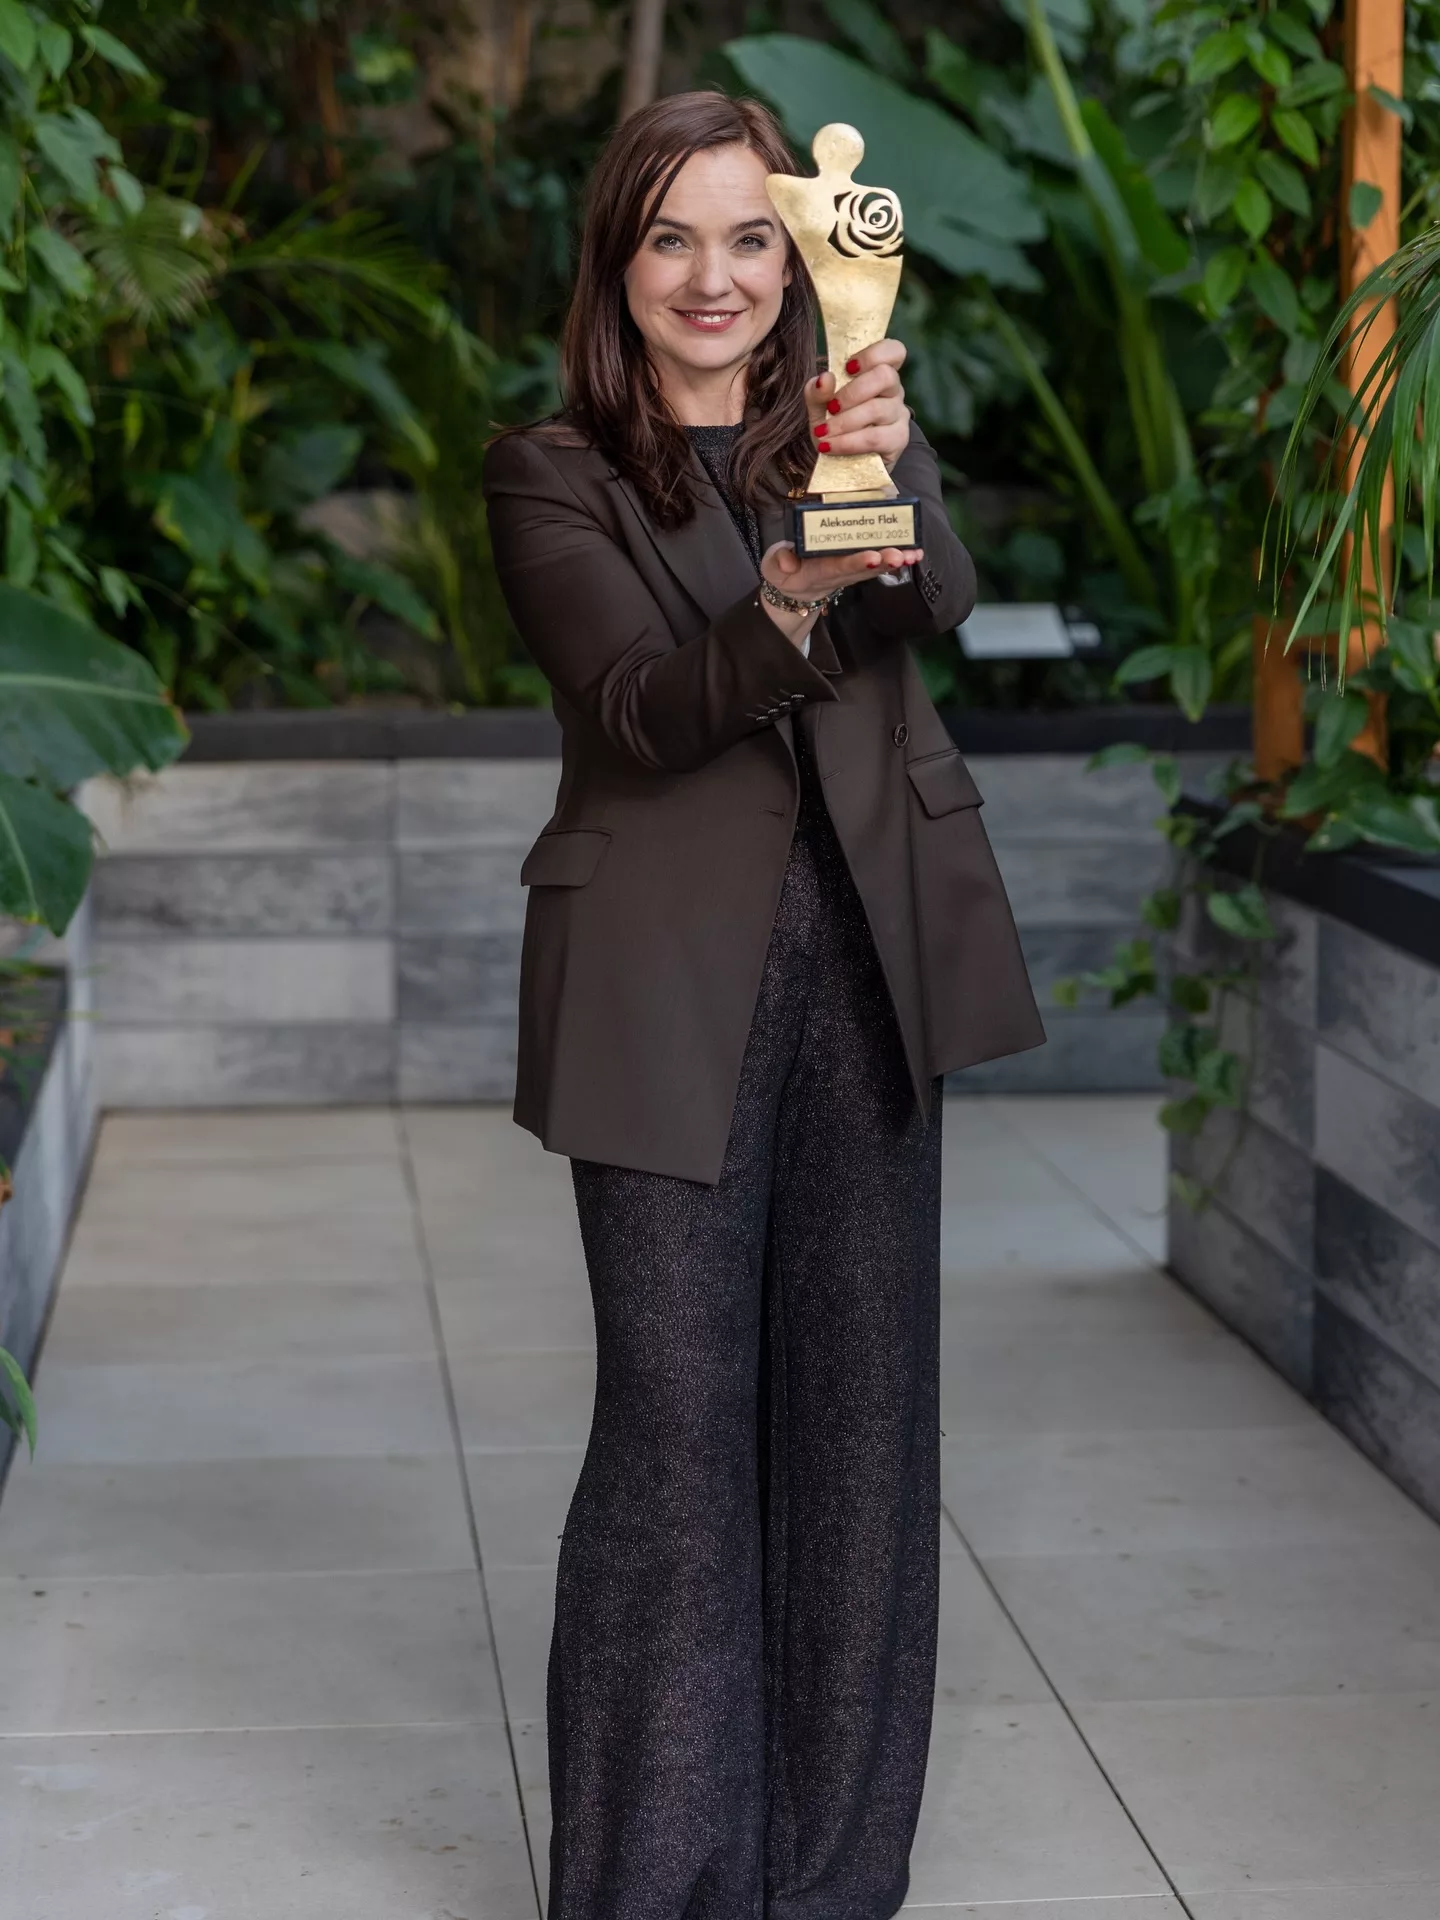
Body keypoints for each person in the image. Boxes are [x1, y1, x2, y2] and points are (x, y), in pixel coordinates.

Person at [482, 89, 1043, 1920]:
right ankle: (653, 1883)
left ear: (797, 262)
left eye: (748, 237)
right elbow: (643, 712)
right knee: (672, 1427)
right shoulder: (551, 473)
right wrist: (792, 584)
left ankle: (826, 1877)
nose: (712, 277)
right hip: (667, 983)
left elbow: (934, 597)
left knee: (863, 1429)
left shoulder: (845, 416)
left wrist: (886, 461)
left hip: (872, 954)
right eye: (671, 237)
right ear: (617, 264)